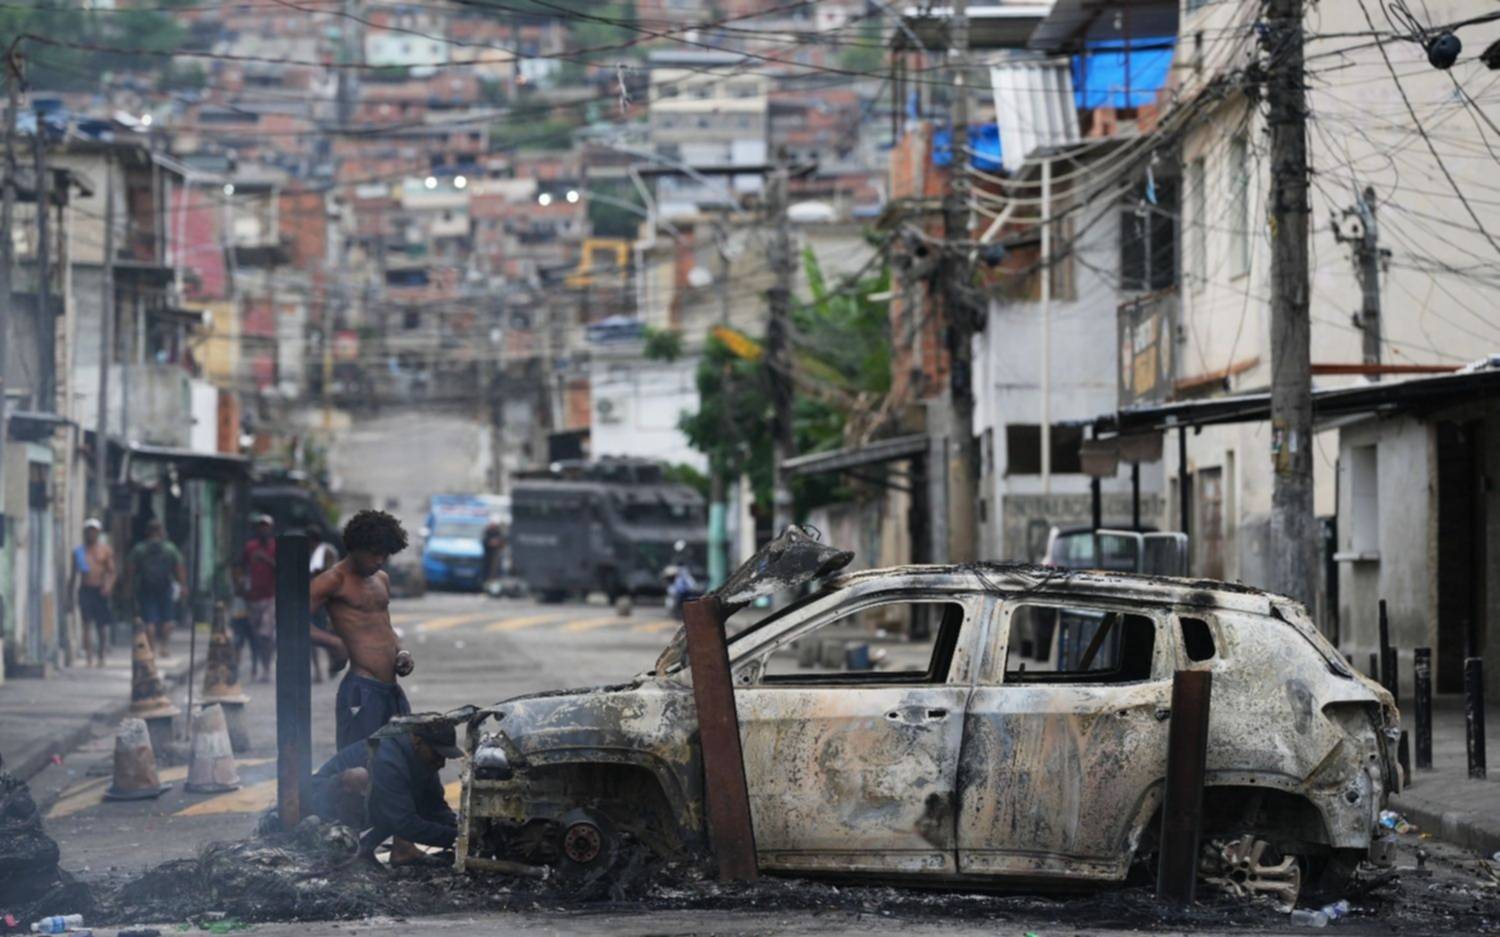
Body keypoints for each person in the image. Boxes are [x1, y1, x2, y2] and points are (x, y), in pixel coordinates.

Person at [310, 509, 413, 751]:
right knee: (357, 765)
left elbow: (386, 627)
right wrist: (333, 643)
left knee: (400, 761)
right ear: (356, 547)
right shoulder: (333, 580)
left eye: (385, 555)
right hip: (362, 690)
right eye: (374, 554)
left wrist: (402, 652)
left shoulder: (382, 579)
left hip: (392, 691)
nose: (379, 561)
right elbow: (291, 621)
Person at [309, 722, 461, 865]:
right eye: (437, 754)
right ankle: (349, 851)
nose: (442, 763)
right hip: (321, 805)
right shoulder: (388, 759)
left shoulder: (422, 761)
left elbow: (436, 807)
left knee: (401, 800)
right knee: (365, 780)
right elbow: (404, 824)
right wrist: (455, 838)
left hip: (373, 803)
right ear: (417, 741)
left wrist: (462, 830)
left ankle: (396, 851)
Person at [127, 519, 186, 656]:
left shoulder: (140, 548)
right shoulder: (170, 548)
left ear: (148, 532)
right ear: (161, 531)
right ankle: (164, 647)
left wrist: (129, 588)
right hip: (165, 587)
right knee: (168, 619)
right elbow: (179, 568)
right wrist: (183, 586)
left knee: (149, 620)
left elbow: (130, 570)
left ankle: (152, 648)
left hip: (146, 587)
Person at [68, 519, 117, 667]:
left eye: (94, 531)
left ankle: (101, 655)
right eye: (89, 531)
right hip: (85, 590)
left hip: (100, 590)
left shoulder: (105, 550)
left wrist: (108, 586)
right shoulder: (79, 552)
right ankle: (89, 656)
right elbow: (73, 575)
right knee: (86, 624)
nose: (91, 534)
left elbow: (112, 572)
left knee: (101, 626)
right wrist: (69, 595)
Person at [239, 515, 278, 683]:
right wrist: (240, 584)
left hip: (269, 596)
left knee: (266, 634)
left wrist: (266, 559)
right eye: (260, 527)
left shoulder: (275, 547)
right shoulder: (250, 547)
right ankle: (256, 665)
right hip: (252, 597)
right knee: (254, 635)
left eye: (266, 527)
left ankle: (267, 667)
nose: (263, 530)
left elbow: (281, 569)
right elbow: (240, 567)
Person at [308, 526, 341, 684]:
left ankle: (330, 665)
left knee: (327, 633)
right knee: (314, 635)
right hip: (313, 598)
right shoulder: (307, 552)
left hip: (325, 598)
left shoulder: (326, 552)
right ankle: (319, 670)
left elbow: (330, 572)